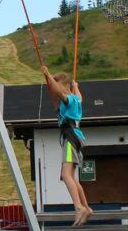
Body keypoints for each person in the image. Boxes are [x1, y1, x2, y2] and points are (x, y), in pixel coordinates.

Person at [43, 66, 93, 226]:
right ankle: (86, 207)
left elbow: (59, 93)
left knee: (66, 176)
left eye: (58, 86)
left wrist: (48, 75)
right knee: (71, 177)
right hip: (75, 138)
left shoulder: (69, 99)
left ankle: (79, 207)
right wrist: (76, 87)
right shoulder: (76, 100)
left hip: (71, 138)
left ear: (64, 87)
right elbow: (78, 97)